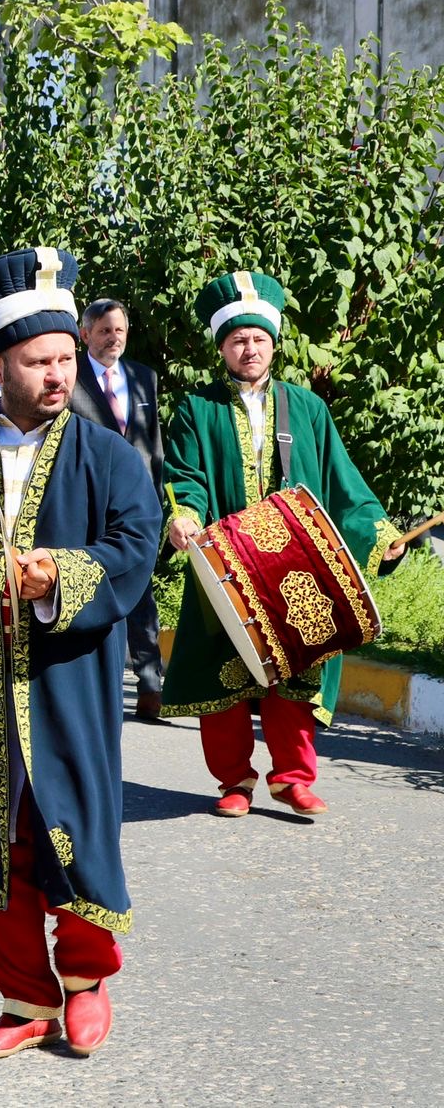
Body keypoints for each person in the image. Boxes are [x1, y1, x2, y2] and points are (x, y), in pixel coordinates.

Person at [0, 246, 160, 1062]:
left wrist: (58, 575)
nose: (56, 374)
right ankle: (23, 999)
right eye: (39, 361)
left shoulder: (106, 453)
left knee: (71, 827)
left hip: (66, 682)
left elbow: (136, 544)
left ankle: (85, 984)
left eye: (65, 359)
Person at [159, 271, 405, 816]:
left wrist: (379, 534)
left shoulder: (308, 408)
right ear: (222, 346)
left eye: (259, 339)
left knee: (299, 666)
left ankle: (292, 777)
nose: (250, 348)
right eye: (238, 340)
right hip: (223, 561)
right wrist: (184, 516)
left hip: (299, 566)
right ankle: (234, 780)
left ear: (274, 343)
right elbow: (184, 476)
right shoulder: (195, 408)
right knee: (223, 669)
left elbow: (343, 482)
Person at [70, 299, 166, 721]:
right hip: (88, 500)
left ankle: (150, 683)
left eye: (120, 330)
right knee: (93, 588)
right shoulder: (70, 377)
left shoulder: (144, 378)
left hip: (137, 502)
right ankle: (97, 684)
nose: (114, 338)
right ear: (85, 334)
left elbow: (153, 444)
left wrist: (158, 497)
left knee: (141, 590)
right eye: (105, 331)